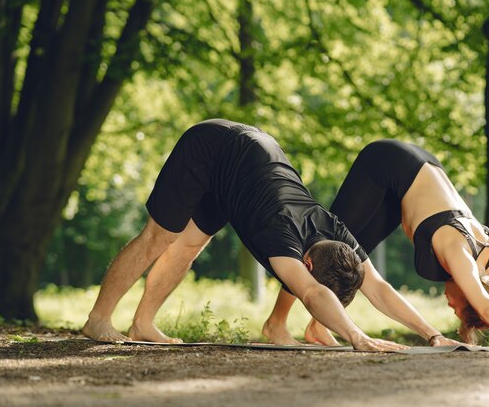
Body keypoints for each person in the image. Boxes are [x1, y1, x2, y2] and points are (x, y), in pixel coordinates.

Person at [263, 139, 489, 352]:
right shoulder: (459, 251)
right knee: (321, 243)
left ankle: (317, 326)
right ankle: (277, 324)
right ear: (469, 293)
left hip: (414, 174)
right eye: (459, 308)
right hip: (388, 163)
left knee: (353, 258)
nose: (450, 305)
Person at [82, 119, 406, 352]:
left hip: (241, 172)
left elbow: (377, 286)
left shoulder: (330, 239)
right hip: (209, 147)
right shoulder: (285, 233)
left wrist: (433, 335)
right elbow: (309, 293)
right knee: (159, 236)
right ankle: (98, 318)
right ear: (308, 264)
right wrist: (357, 336)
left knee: (190, 245)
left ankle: (143, 323)